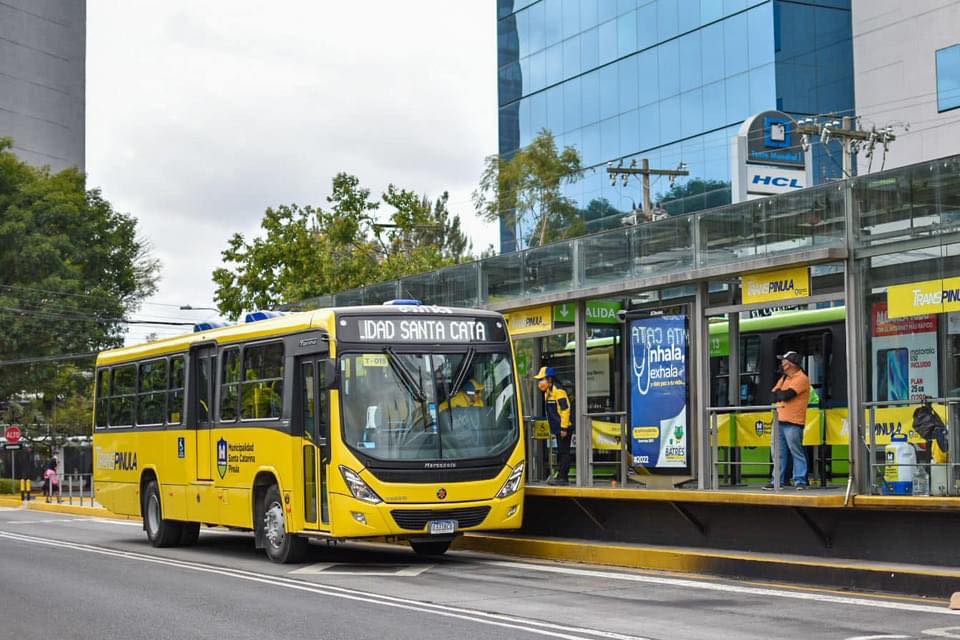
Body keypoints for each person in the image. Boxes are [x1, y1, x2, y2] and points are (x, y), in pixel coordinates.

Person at [765, 351, 811, 491]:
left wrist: (780, 395)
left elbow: (787, 395)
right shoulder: (784, 378)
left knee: (796, 451)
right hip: (779, 420)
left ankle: (800, 480)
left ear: (790, 363)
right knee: (778, 453)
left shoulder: (801, 378)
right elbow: (772, 396)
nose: (782, 363)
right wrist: (780, 395)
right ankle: (777, 480)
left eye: (784, 361)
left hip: (794, 421)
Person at [534, 366, 573, 485]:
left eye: (542, 379)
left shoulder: (559, 391)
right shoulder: (548, 392)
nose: (540, 382)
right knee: (560, 451)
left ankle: (563, 478)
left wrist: (564, 428)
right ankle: (560, 476)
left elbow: (565, 410)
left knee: (564, 452)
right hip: (557, 427)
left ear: (550, 379)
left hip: (563, 427)